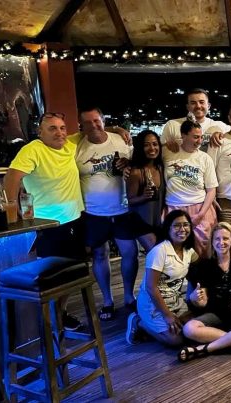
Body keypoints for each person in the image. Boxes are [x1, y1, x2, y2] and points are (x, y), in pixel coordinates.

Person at [4, 112, 85, 330]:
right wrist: (12, 209)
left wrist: (117, 129)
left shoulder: (69, 144)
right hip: (49, 225)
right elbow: (11, 177)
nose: (59, 132)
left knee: (72, 273)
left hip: (74, 220)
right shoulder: (33, 149)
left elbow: (89, 130)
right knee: (51, 277)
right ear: (40, 132)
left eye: (62, 128)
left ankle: (60, 314)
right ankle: (48, 322)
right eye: (52, 128)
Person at [75, 107, 154, 321]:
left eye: (97, 120)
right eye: (87, 122)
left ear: (103, 120)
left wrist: (128, 163)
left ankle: (129, 296)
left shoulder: (121, 141)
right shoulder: (77, 146)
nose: (93, 125)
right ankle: (107, 300)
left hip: (123, 209)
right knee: (100, 255)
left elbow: (139, 162)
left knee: (130, 252)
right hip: (93, 211)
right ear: (81, 126)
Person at [178, 222, 231, 360]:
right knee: (189, 329)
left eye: (225, 238)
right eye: (217, 239)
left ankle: (205, 348)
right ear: (212, 242)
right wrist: (194, 298)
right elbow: (203, 303)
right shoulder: (204, 266)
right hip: (216, 314)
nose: (221, 242)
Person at [126, 210, 197, 346]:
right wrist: (167, 315)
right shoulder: (159, 251)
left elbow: (201, 267)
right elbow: (151, 287)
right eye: (177, 225)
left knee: (192, 328)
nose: (182, 229)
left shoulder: (188, 250)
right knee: (176, 340)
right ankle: (138, 322)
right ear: (168, 228)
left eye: (186, 225)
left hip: (175, 300)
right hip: (153, 303)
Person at [163, 120, 218, 257]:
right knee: (175, 252)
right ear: (183, 135)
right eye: (195, 137)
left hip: (199, 208)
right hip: (174, 208)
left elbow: (211, 190)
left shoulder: (205, 158)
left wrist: (201, 214)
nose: (199, 141)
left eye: (201, 137)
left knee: (203, 250)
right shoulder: (168, 153)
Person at [161, 88, 229, 152]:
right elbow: (159, 149)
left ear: (208, 106)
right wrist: (167, 145)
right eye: (193, 103)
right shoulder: (172, 125)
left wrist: (222, 135)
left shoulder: (220, 126)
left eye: (201, 102)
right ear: (188, 107)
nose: (198, 106)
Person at [127, 129, 165, 233]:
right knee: (154, 244)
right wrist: (143, 197)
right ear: (140, 148)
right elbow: (129, 201)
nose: (152, 148)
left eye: (155, 144)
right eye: (146, 145)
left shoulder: (160, 168)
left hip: (158, 222)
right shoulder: (136, 172)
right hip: (140, 223)